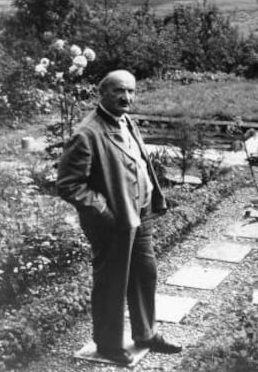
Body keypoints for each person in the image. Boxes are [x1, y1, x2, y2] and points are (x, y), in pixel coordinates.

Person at [57, 69, 182, 366]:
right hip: (112, 220)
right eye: (119, 92)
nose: (127, 97)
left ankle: (146, 334)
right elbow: (68, 184)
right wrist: (104, 210)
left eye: (131, 91)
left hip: (139, 212)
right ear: (103, 94)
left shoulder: (126, 120)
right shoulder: (87, 133)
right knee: (112, 281)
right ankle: (109, 343)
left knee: (145, 273)